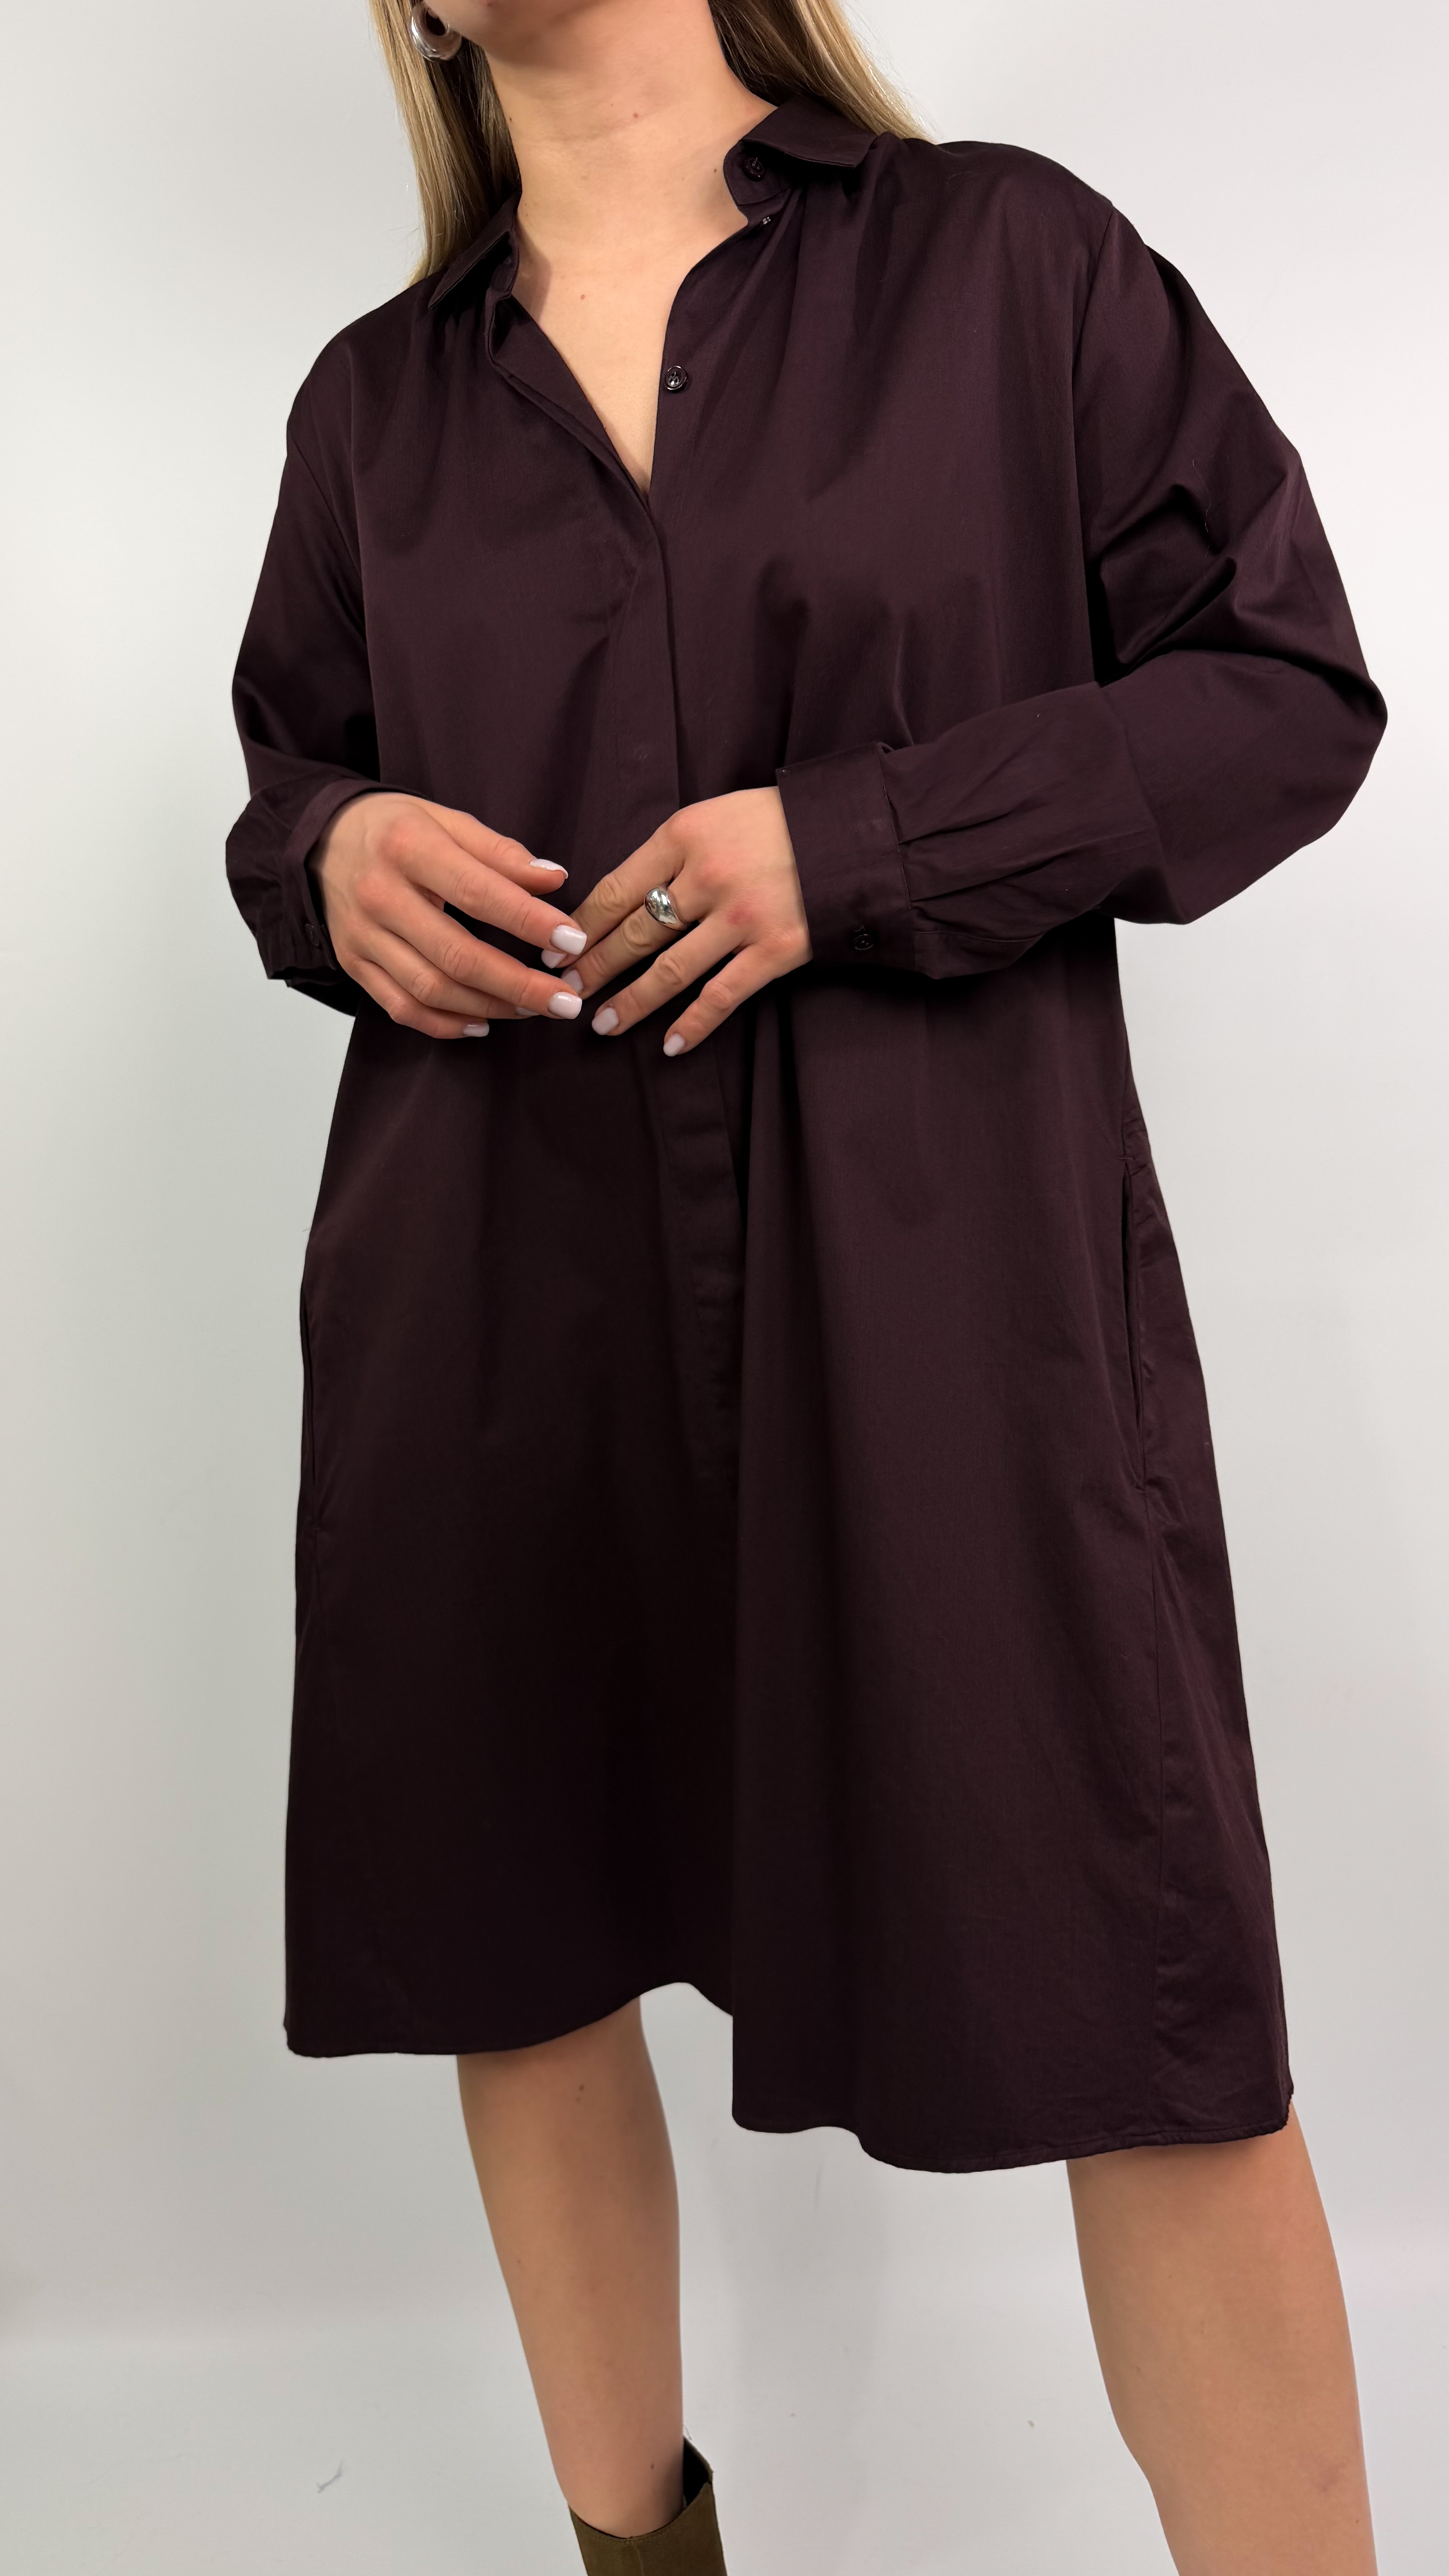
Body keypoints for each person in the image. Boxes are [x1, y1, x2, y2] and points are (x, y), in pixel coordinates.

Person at [226, 1, 1387, 2567]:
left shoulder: (1008, 267)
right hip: (497, 1307)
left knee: (1150, 2000)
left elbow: (1283, 694)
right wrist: (324, 861)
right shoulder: (373, 407)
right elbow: (289, 785)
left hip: (953, 1320)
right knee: (523, 1944)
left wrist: (857, 847)